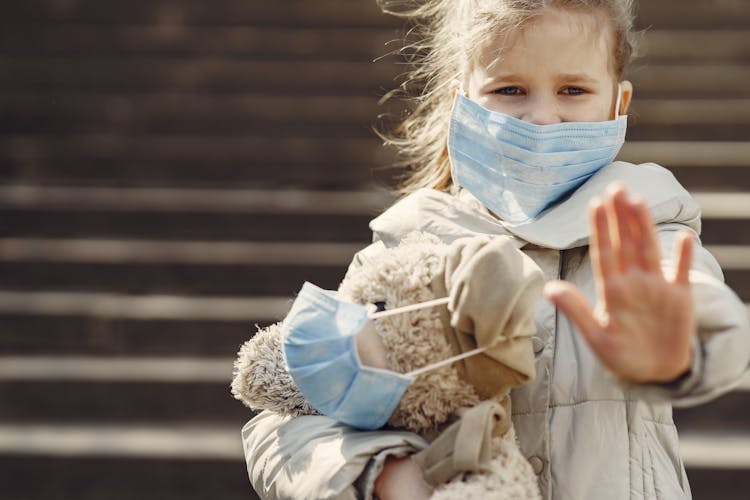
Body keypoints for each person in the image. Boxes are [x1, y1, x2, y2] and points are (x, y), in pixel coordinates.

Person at [239, 0, 750, 498]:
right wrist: (384, 475)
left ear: (619, 104)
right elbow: (284, 421)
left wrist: (679, 340)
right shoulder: (406, 250)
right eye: (510, 89)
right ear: (464, 104)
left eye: (573, 89)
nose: (542, 117)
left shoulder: (644, 223)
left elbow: (693, 293)